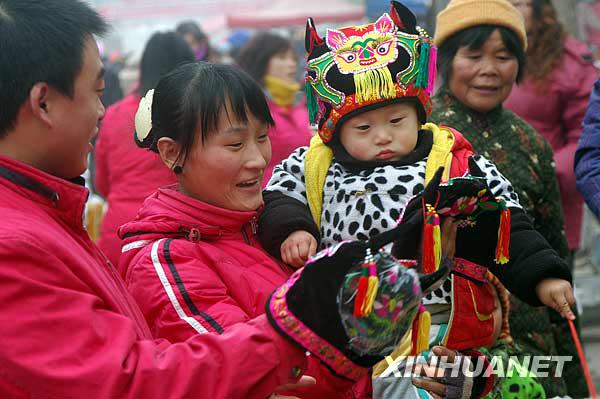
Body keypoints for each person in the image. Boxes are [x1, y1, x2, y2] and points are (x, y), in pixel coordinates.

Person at [0, 1, 393, 397]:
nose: (258, 160)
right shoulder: (18, 246)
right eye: (98, 91)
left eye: (261, 138)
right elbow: (130, 382)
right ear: (44, 103)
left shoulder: (262, 221)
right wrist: (306, 322)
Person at [258, 1, 574, 397]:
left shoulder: (451, 158)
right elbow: (279, 194)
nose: (383, 136)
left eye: (396, 121)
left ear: (418, 115)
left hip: (437, 318)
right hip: (350, 320)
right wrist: (293, 229)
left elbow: (504, 219)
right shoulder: (317, 164)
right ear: (334, 132)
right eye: (364, 127)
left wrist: (544, 274)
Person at [429, 0, 586, 396]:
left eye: (503, 56)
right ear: (446, 60)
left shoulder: (531, 144)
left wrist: (576, 382)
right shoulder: (419, 137)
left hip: (534, 350)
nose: (489, 69)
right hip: (452, 351)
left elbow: (554, 256)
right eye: (474, 54)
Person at [505, 0, 599, 259]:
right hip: (490, 207)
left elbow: (585, 137)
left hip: (549, 203)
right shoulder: (483, 55)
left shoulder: (569, 63)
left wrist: (544, 173)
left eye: (520, 3)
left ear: (539, 10)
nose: (512, 10)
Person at [94, 31, 195, 267]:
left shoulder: (116, 113)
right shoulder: (195, 114)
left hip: (120, 233)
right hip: (177, 232)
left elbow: (102, 182)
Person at [236, 32, 312, 186]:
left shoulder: (301, 103)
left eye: (293, 58)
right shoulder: (248, 106)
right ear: (261, 61)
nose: (291, 64)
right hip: (269, 195)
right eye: (282, 57)